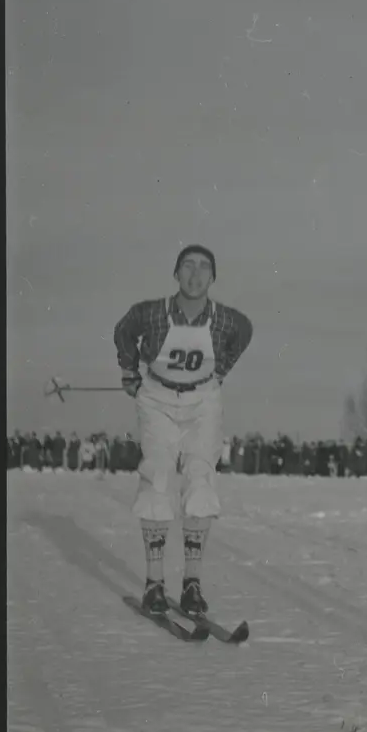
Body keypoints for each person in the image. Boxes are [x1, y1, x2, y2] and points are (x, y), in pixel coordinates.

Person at [113, 245, 253, 617]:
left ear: (213, 277)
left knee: (200, 479)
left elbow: (245, 332)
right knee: (157, 476)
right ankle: (154, 583)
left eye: (204, 267)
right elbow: (124, 331)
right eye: (187, 266)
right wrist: (129, 371)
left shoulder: (226, 319)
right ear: (176, 273)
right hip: (157, 398)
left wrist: (221, 370)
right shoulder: (151, 312)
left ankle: (192, 583)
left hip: (203, 401)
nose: (195, 274)